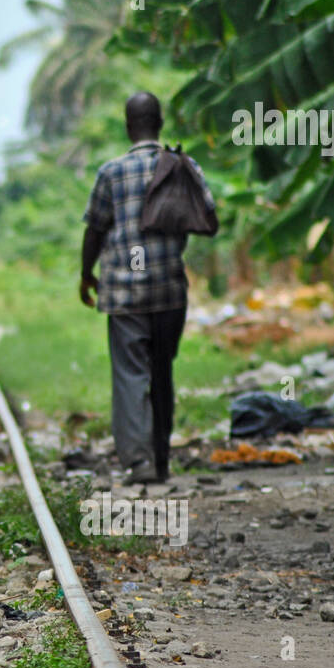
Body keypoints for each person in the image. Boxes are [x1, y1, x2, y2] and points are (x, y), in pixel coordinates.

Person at [79, 91, 215, 485]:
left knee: (131, 375)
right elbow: (206, 213)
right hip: (169, 291)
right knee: (162, 371)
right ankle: (161, 461)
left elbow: (95, 228)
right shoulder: (183, 166)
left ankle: (139, 461)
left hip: (124, 293)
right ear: (160, 123)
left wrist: (86, 273)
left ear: (128, 126)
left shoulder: (111, 172)